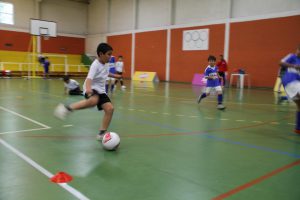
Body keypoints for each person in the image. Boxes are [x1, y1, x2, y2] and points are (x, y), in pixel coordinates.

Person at [54, 43, 122, 140]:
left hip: (101, 90)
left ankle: (101, 133)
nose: (110, 57)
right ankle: (67, 108)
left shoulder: (106, 63)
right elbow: (89, 79)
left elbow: (106, 73)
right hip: (91, 87)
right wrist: (89, 90)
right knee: (93, 101)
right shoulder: (95, 64)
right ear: (101, 54)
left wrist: (116, 76)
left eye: (111, 54)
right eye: (108, 54)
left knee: (110, 109)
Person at [280, 45, 300, 134]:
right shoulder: (292, 56)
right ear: (297, 50)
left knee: (299, 105)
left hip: (295, 84)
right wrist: (294, 66)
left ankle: (298, 128)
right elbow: (281, 63)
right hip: (290, 81)